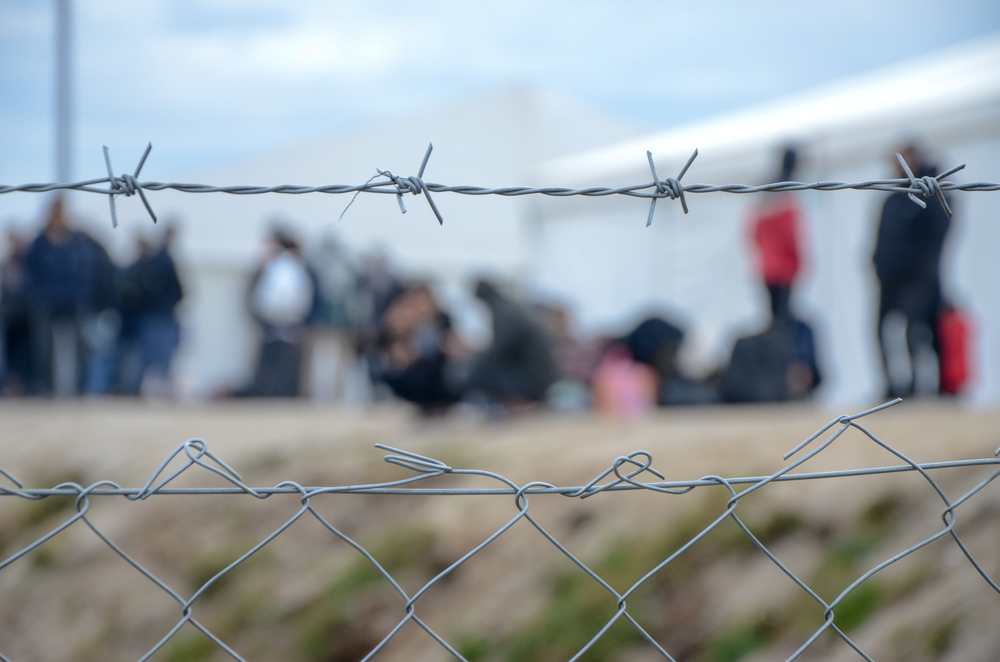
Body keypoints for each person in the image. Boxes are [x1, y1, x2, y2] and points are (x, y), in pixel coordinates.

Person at [873, 144, 952, 397]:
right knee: (881, 330)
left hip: (919, 279)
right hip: (889, 278)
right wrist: (878, 263)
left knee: (918, 333)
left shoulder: (933, 194)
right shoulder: (895, 195)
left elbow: (938, 235)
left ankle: (923, 388)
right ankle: (894, 389)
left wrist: (919, 268)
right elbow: (882, 236)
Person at [22, 197, 105, 397]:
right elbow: (29, 273)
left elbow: (87, 268)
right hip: (46, 303)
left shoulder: (76, 241)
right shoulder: (39, 242)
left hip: (74, 302)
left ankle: (78, 390)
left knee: (79, 348)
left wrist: (83, 292)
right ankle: (47, 389)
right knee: (44, 350)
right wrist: (36, 297)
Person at [247, 227, 317, 397]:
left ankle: (272, 393)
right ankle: (274, 393)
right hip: (286, 320)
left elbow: (270, 297)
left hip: (280, 319)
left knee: (277, 363)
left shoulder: (281, 267)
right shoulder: (292, 266)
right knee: (280, 363)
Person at [464, 280, 558, 406]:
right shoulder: (511, 307)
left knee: (476, 373)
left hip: (533, 379)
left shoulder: (504, 313)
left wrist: (475, 362)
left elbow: (498, 351)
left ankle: (516, 403)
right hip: (539, 375)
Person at [1, 230, 32, 395]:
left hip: (26, 318)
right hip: (10, 319)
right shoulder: (7, 264)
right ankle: (14, 386)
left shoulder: (27, 263)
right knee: (12, 357)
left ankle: (25, 387)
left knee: (25, 356)